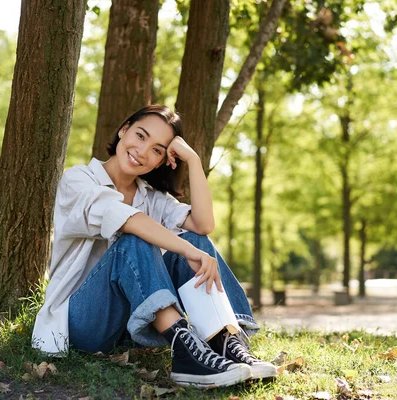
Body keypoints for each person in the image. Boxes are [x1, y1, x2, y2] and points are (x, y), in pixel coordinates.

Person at [32, 105, 276, 388]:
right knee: (135, 239)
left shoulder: (151, 197)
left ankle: (225, 342)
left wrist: (194, 160)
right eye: (140, 135)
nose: (143, 151)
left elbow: (203, 224)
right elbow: (128, 220)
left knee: (194, 240)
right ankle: (186, 354)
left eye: (157, 150)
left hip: (128, 328)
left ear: (162, 161)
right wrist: (189, 252)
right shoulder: (79, 180)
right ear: (124, 130)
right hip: (81, 322)